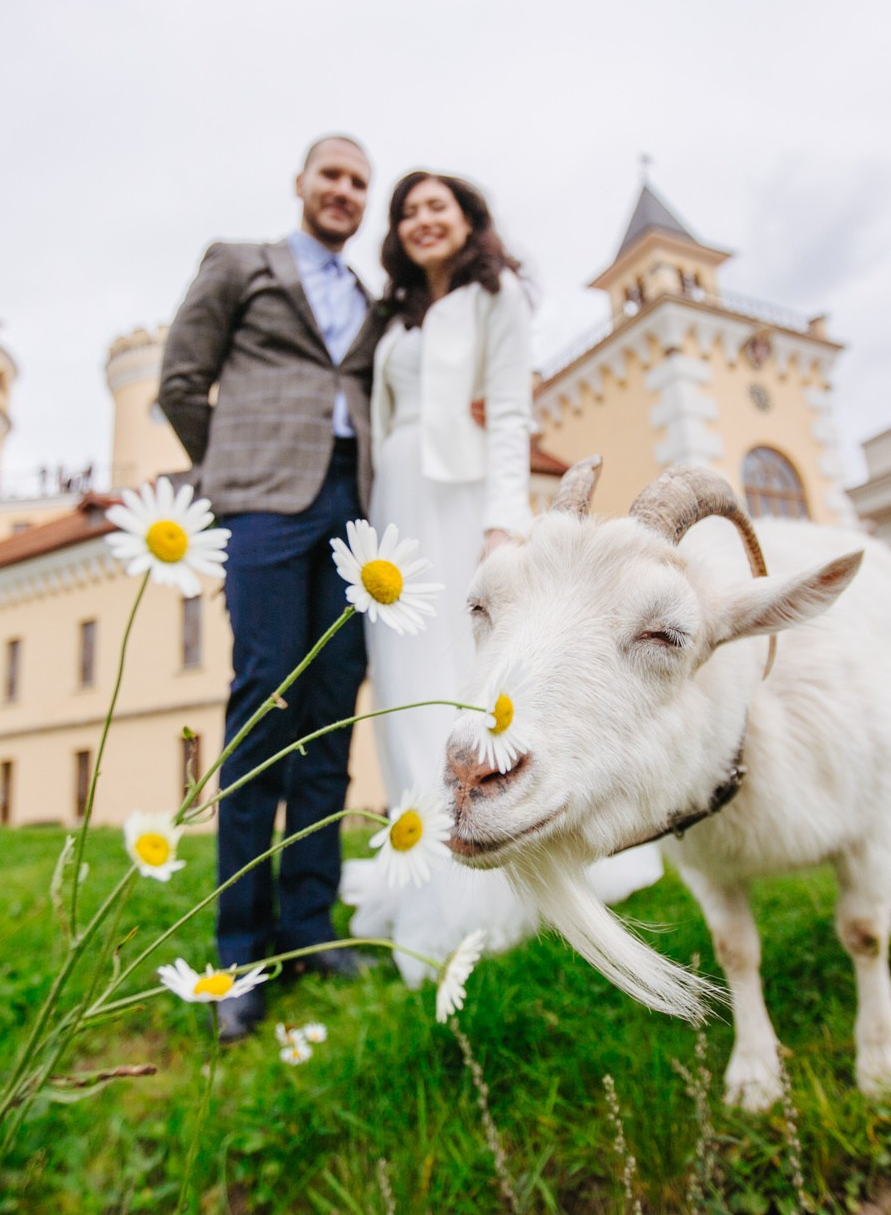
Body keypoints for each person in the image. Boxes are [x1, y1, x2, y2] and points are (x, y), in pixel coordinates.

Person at [341, 171, 663, 983]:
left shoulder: (498, 297)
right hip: (397, 500)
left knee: (471, 681)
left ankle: (504, 872)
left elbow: (512, 412)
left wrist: (502, 520)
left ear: (468, 218)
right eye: (408, 211)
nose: (422, 220)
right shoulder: (397, 316)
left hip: (465, 502)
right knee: (407, 683)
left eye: (437, 206)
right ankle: (433, 873)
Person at [157, 136, 382, 1041]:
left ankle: (308, 926)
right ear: (301, 184)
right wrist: (229, 474)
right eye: (332, 174)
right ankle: (237, 950)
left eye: (360, 181)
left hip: (353, 505)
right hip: (264, 507)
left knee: (331, 715)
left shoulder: (372, 301)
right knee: (263, 709)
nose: (345, 190)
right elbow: (180, 380)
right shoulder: (240, 263)